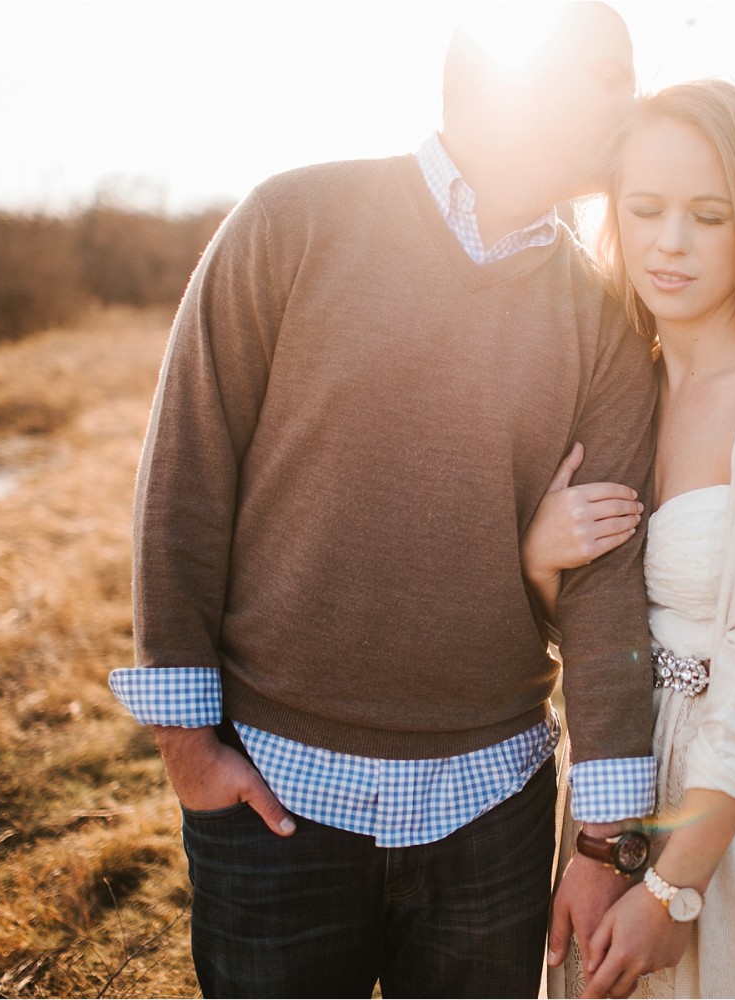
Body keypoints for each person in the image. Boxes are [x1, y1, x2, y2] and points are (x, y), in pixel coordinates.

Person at [106, 5, 660, 997]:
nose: (629, 100)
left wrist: (605, 839)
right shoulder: (292, 220)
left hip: (494, 809)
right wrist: (189, 747)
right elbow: (185, 476)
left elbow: (608, 582)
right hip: (274, 793)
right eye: (605, 73)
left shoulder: (606, 320)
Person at [527, 80, 735, 999]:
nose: (670, 242)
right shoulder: (624, 382)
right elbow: (606, 633)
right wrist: (543, 561)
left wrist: (674, 888)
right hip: (621, 783)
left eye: (707, 216)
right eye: (645, 209)